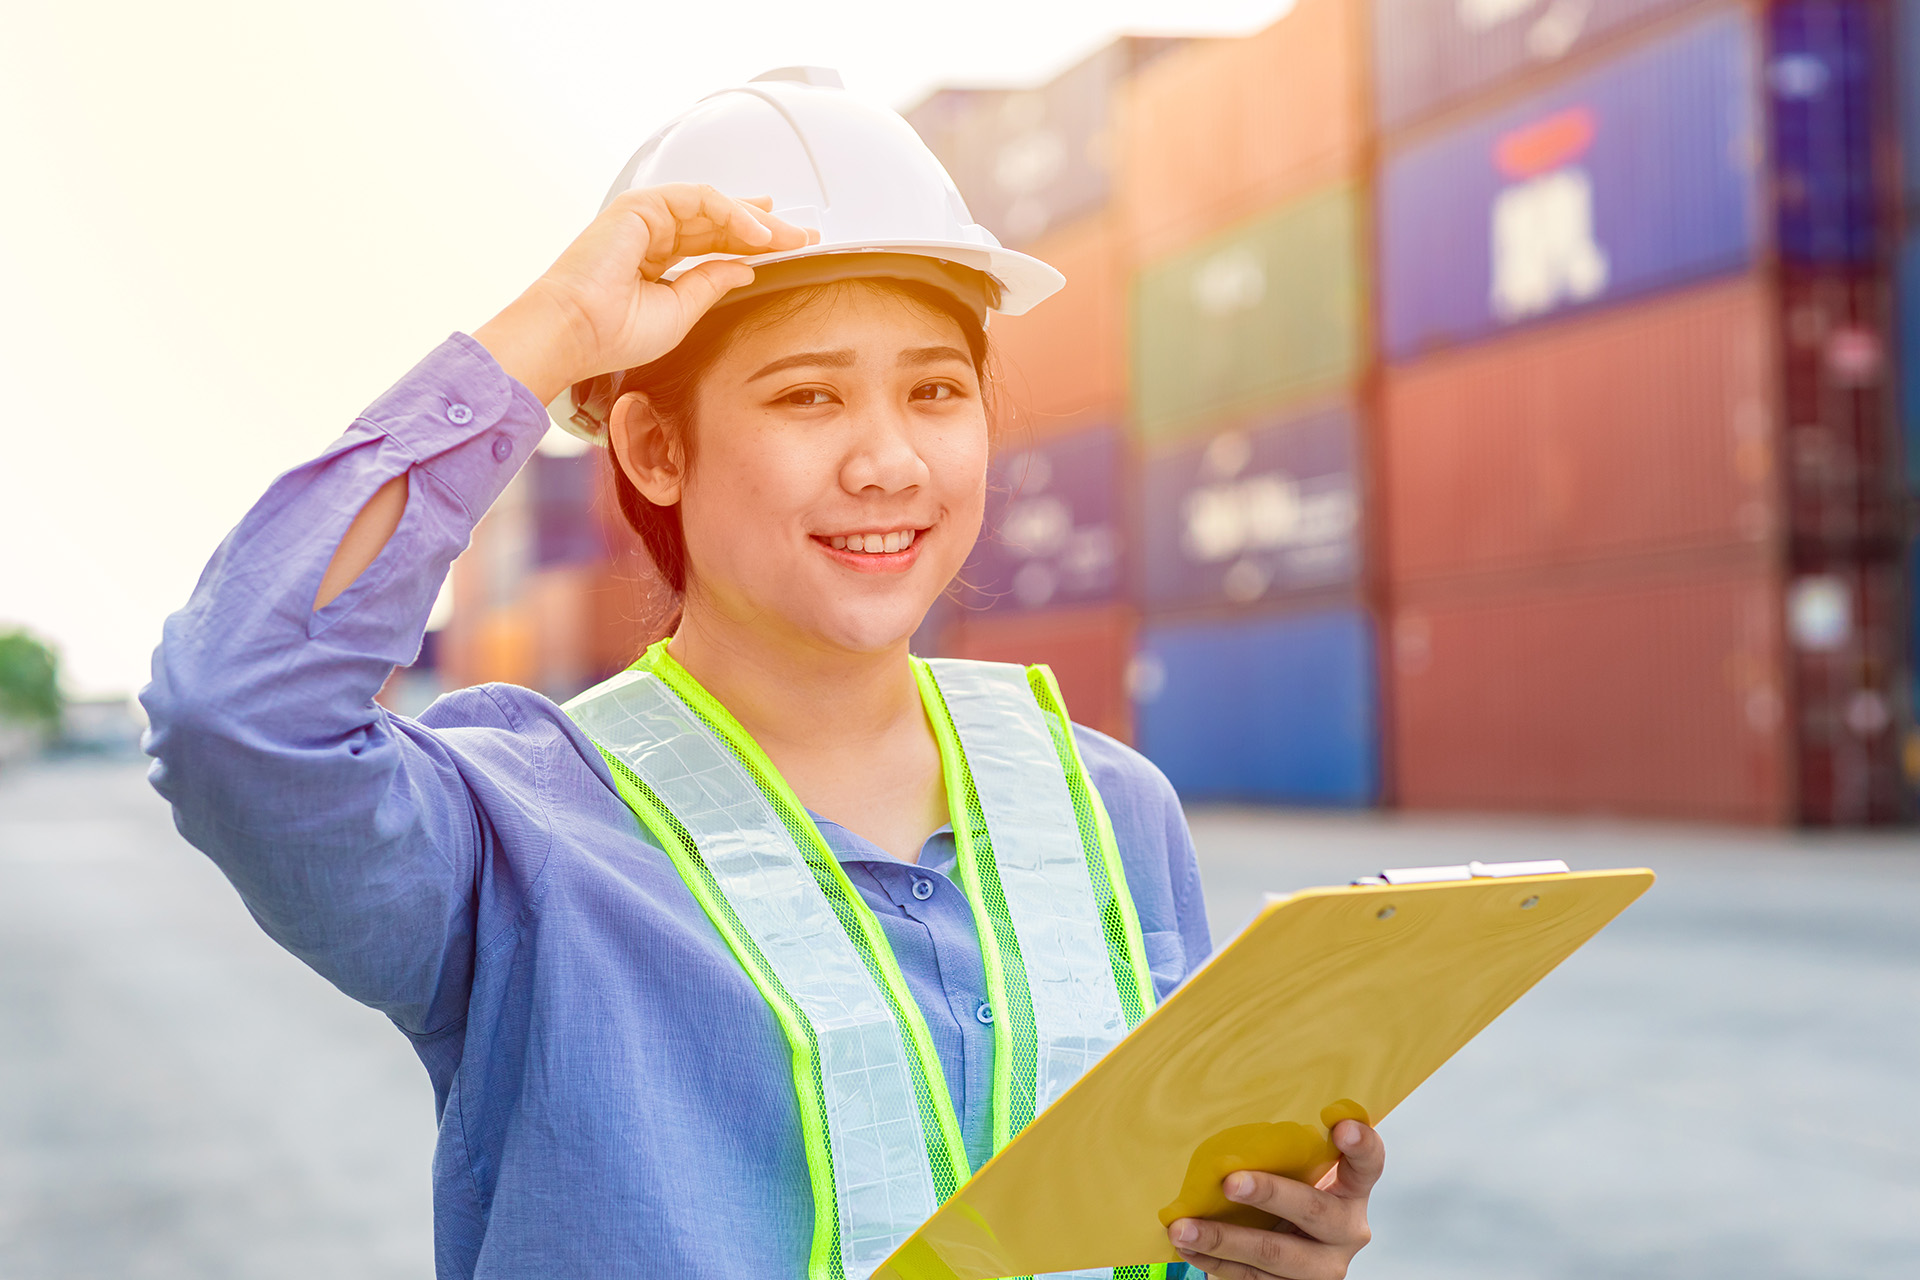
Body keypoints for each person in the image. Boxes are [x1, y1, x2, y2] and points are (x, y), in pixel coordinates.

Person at [141, 70, 1383, 1280]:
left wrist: (1255, 1260)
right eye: (808, 396)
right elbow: (235, 711)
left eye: (938, 390)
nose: (892, 460)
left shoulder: (1114, 810)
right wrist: (562, 328)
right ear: (654, 448)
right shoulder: (516, 837)